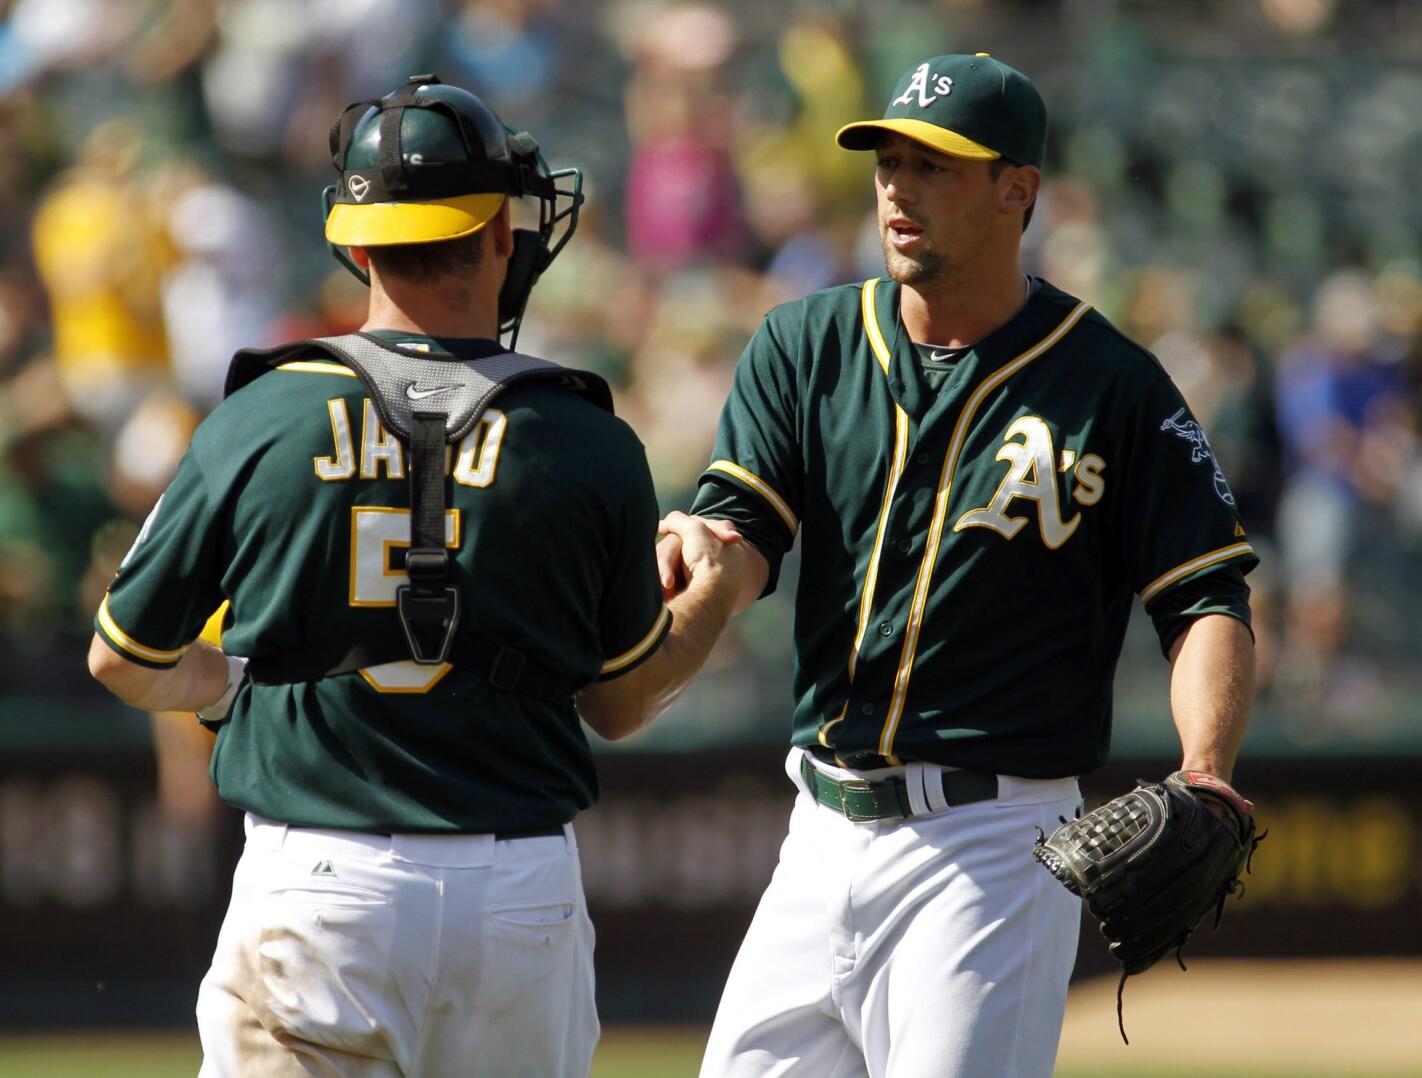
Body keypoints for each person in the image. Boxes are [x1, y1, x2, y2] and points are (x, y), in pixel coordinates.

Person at [88, 76, 746, 1077]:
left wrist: (231, 683)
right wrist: (721, 592)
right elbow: (621, 702)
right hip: (517, 895)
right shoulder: (583, 438)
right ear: (499, 234)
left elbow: (122, 658)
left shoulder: (257, 417)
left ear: (355, 243)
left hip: (317, 886)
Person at [657, 53, 1259, 1077]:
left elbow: (1205, 596)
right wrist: (701, 574)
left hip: (990, 847)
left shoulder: (1111, 384)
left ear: (1014, 190)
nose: (898, 185)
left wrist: (1205, 767)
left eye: (935, 165)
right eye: (889, 160)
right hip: (818, 828)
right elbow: (741, 538)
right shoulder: (806, 345)